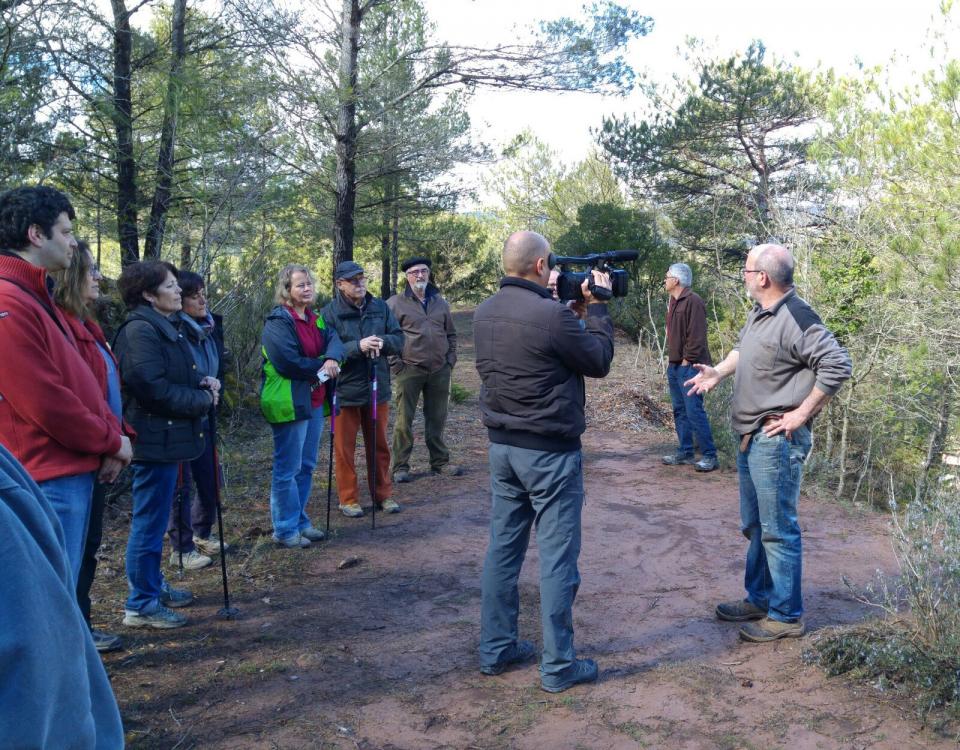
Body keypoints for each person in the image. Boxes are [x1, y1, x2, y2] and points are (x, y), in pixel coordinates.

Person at [685, 243, 852, 643]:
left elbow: (838, 364)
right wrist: (718, 373)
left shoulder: (797, 315)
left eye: (745, 270)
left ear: (762, 277)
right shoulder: (762, 313)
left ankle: (786, 616)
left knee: (777, 529)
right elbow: (745, 350)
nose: (743, 276)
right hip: (750, 438)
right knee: (757, 526)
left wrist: (800, 414)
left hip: (774, 442)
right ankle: (760, 598)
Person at [474, 230, 614, 693]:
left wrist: (569, 315)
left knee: (503, 549)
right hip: (549, 454)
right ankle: (558, 666)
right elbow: (597, 361)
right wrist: (596, 309)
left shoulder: (484, 312)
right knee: (557, 558)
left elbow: (540, 352)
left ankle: (495, 649)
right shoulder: (551, 315)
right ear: (540, 266)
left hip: (503, 449)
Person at [0, 185, 131, 586]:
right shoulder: (10, 301)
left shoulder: (38, 296)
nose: (73, 243)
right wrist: (110, 441)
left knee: (66, 589)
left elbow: (84, 381)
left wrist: (114, 436)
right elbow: (45, 399)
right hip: (46, 477)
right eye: (66, 231)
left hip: (68, 468)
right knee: (51, 597)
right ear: (36, 235)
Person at [0, 443, 124, 749]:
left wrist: (116, 439)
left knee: (63, 607)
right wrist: (109, 440)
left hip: (76, 465)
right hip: (54, 465)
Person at [114, 261, 216, 628]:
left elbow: (175, 376)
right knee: (149, 522)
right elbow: (150, 387)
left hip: (170, 439)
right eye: (171, 286)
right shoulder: (140, 331)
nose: (178, 291)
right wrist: (200, 401)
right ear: (147, 293)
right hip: (154, 440)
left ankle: (152, 586)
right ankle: (140, 602)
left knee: (156, 519)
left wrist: (201, 385)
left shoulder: (164, 326)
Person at [52, 240, 131, 653]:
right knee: (71, 557)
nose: (99, 277)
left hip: (101, 451)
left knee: (88, 551)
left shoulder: (87, 326)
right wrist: (109, 443)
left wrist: (119, 438)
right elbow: (67, 400)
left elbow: (105, 391)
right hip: (75, 460)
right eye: (91, 270)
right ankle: (73, 637)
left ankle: (81, 629)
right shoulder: (59, 326)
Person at [260, 264, 343, 548]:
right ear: (287, 290)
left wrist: (332, 358)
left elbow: (334, 340)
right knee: (288, 468)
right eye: (300, 285)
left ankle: (299, 520)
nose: (307, 289)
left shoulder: (315, 318)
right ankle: (284, 529)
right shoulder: (278, 322)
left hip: (315, 402)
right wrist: (323, 364)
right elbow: (287, 362)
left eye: (309, 284)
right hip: (289, 402)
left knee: (306, 465)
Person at [321, 261, 404, 518]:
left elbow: (399, 339)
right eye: (352, 280)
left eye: (361, 278)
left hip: (377, 385)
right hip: (344, 390)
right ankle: (348, 498)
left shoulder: (380, 307)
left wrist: (383, 342)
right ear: (340, 284)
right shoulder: (329, 313)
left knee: (379, 445)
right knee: (344, 449)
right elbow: (325, 351)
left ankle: (384, 495)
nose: (359, 284)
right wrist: (358, 346)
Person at [166, 271, 229, 569]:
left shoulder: (210, 326)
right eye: (194, 295)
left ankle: (201, 532)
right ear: (180, 300)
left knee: (210, 478)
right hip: (182, 416)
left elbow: (220, 364)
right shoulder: (173, 329)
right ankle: (181, 546)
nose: (202, 299)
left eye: (203, 293)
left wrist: (216, 388)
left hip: (206, 412)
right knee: (182, 484)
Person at [387, 256, 460, 483]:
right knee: (403, 420)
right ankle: (400, 466)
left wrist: (450, 359)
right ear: (407, 276)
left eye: (424, 271)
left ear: (429, 274)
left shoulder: (440, 302)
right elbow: (388, 337)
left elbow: (451, 334)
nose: (420, 275)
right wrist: (396, 364)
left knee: (437, 418)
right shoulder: (394, 304)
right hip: (409, 369)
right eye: (415, 272)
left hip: (439, 369)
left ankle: (440, 462)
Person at [662, 262, 718, 472]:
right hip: (675, 365)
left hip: (690, 366)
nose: (665, 279)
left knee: (694, 411)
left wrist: (687, 361)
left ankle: (710, 456)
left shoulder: (694, 301)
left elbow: (697, 336)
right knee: (679, 411)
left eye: (667, 276)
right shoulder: (674, 301)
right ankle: (685, 452)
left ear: (676, 280)